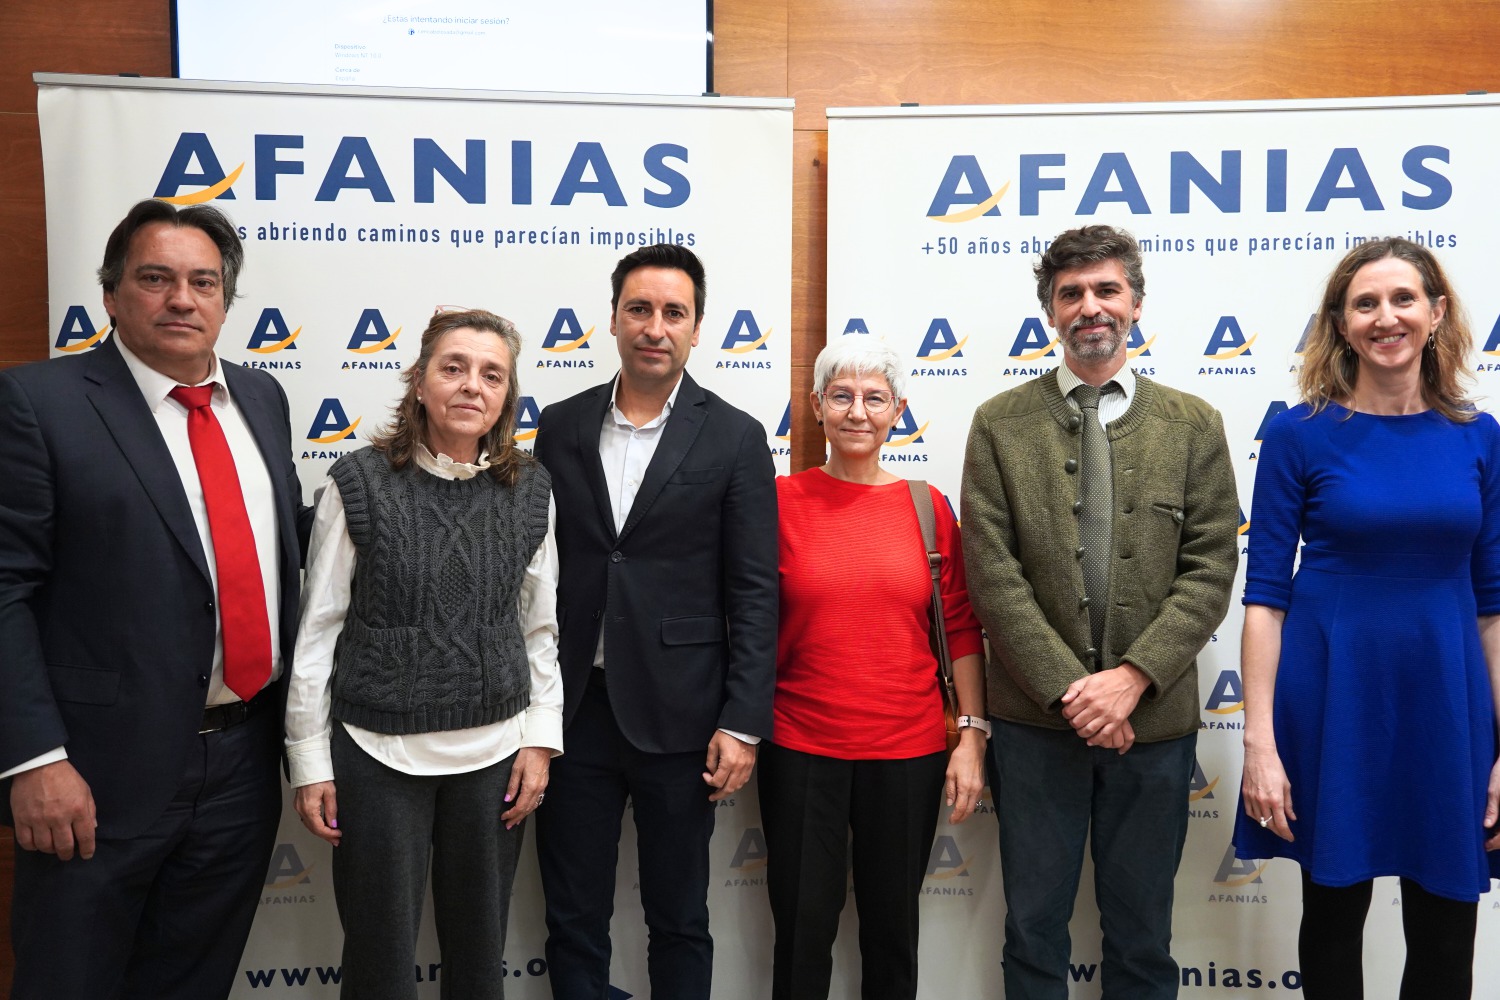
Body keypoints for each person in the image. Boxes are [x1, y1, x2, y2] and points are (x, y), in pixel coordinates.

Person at [0, 199, 311, 999]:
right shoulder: (39, 405)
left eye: (203, 282)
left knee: (192, 983)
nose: (182, 299)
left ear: (225, 300)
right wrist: (35, 759)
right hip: (94, 774)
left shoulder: (264, 399)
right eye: (156, 279)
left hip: (242, 760)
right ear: (110, 295)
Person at [960, 224, 1239, 999]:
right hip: (1034, 728)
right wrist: (1074, 691)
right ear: (1050, 312)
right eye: (1071, 293)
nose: (1090, 307)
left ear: (1136, 304)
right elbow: (992, 573)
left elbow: (1213, 565)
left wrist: (1132, 679)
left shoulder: (1193, 423)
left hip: (1155, 728)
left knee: (1144, 935)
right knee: (1034, 932)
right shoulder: (998, 423)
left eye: (1106, 290)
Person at [1234, 237, 1500, 999]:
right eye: (1366, 303)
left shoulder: (1479, 438)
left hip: (1448, 707)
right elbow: (1264, 599)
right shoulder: (1298, 432)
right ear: (1341, 324)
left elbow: (1495, 604)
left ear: (1436, 312)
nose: (1387, 317)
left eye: (1404, 299)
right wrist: (1261, 741)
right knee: (1332, 920)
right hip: (1334, 703)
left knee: (1449, 933)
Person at [286, 308, 558, 999]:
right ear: (420, 382)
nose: (472, 385)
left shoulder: (531, 491)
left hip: (494, 757)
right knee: (378, 964)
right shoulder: (360, 484)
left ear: (507, 395)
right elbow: (318, 630)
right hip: (377, 757)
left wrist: (539, 742)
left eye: (491, 374)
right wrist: (310, 762)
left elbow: (540, 629)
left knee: (478, 961)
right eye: (454, 367)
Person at [532, 243, 778, 999]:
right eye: (639, 309)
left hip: (685, 717)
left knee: (679, 917)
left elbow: (754, 589)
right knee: (573, 917)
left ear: (697, 328)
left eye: (674, 313)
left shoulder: (734, 436)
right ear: (612, 319)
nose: (655, 326)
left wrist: (742, 721)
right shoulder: (563, 425)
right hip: (574, 714)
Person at [761, 336, 988, 1000]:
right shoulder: (778, 502)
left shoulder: (928, 509)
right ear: (816, 407)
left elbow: (960, 629)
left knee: (893, 935)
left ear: (898, 411)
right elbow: (748, 626)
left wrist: (971, 734)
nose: (857, 410)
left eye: (874, 398)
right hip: (800, 747)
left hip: (908, 751)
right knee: (801, 933)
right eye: (842, 396)